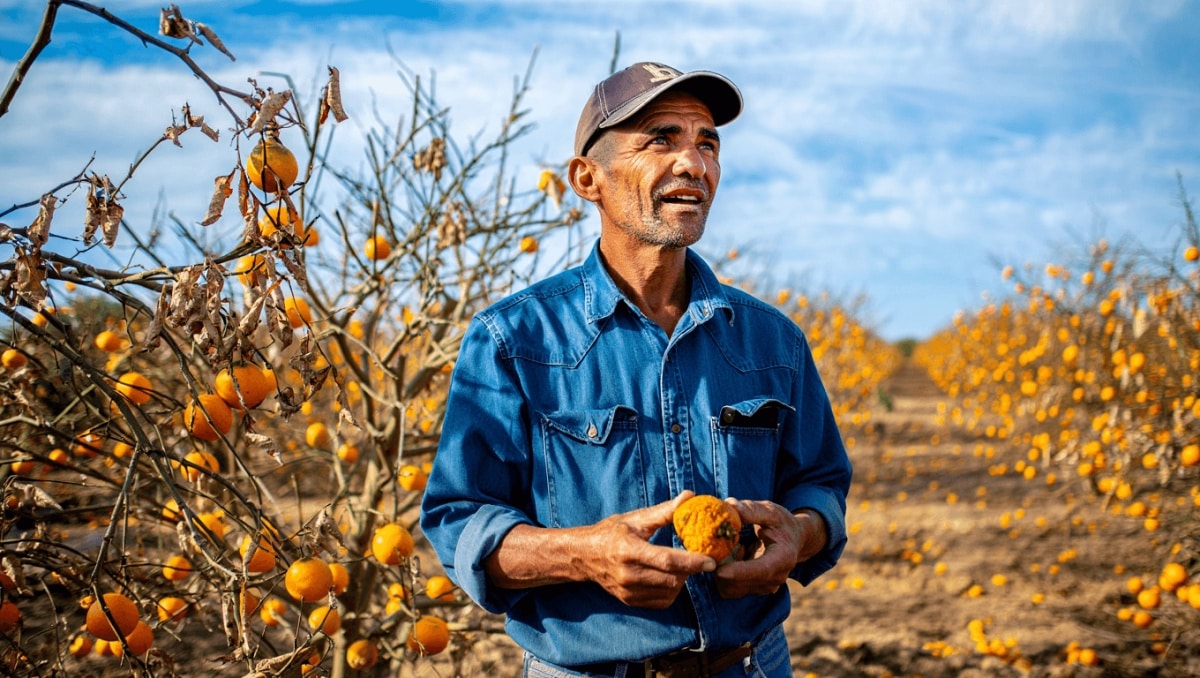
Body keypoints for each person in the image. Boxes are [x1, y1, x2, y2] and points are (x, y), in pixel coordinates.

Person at [420, 62, 852, 678]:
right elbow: (459, 519)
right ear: (586, 178)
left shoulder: (772, 341)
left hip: (752, 664)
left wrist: (798, 533)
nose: (693, 163)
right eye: (661, 139)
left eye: (708, 143)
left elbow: (820, 483)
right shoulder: (513, 339)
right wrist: (581, 556)